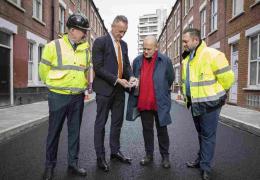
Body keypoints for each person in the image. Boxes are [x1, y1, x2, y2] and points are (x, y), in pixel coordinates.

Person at [39, 13, 91, 180]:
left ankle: (73, 164)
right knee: (54, 132)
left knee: (74, 132)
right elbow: (43, 72)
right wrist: (54, 87)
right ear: (73, 30)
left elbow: (85, 71)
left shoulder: (85, 50)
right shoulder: (53, 46)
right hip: (58, 96)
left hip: (77, 97)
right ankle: (49, 166)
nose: (85, 34)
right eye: (83, 30)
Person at [181, 28, 234, 180]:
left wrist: (220, 96)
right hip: (195, 103)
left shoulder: (212, 54)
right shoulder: (188, 58)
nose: (183, 44)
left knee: (208, 136)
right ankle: (201, 160)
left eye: (186, 41)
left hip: (210, 104)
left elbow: (228, 78)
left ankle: (206, 167)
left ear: (195, 40)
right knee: (201, 135)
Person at [92, 15, 136, 172]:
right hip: (104, 90)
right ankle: (100, 157)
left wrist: (130, 76)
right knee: (101, 123)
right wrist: (117, 80)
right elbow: (98, 68)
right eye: (119, 31)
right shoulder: (100, 42)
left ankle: (115, 151)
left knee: (117, 123)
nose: (122, 35)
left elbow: (126, 65)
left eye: (124, 32)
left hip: (119, 91)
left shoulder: (124, 45)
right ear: (112, 26)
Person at [126, 35, 174, 169]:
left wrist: (161, 90)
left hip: (159, 103)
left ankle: (165, 156)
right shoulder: (137, 61)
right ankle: (149, 155)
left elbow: (170, 78)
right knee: (147, 130)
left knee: (162, 131)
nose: (145, 51)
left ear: (156, 48)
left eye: (149, 49)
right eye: (144, 48)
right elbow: (134, 77)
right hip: (143, 103)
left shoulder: (165, 60)